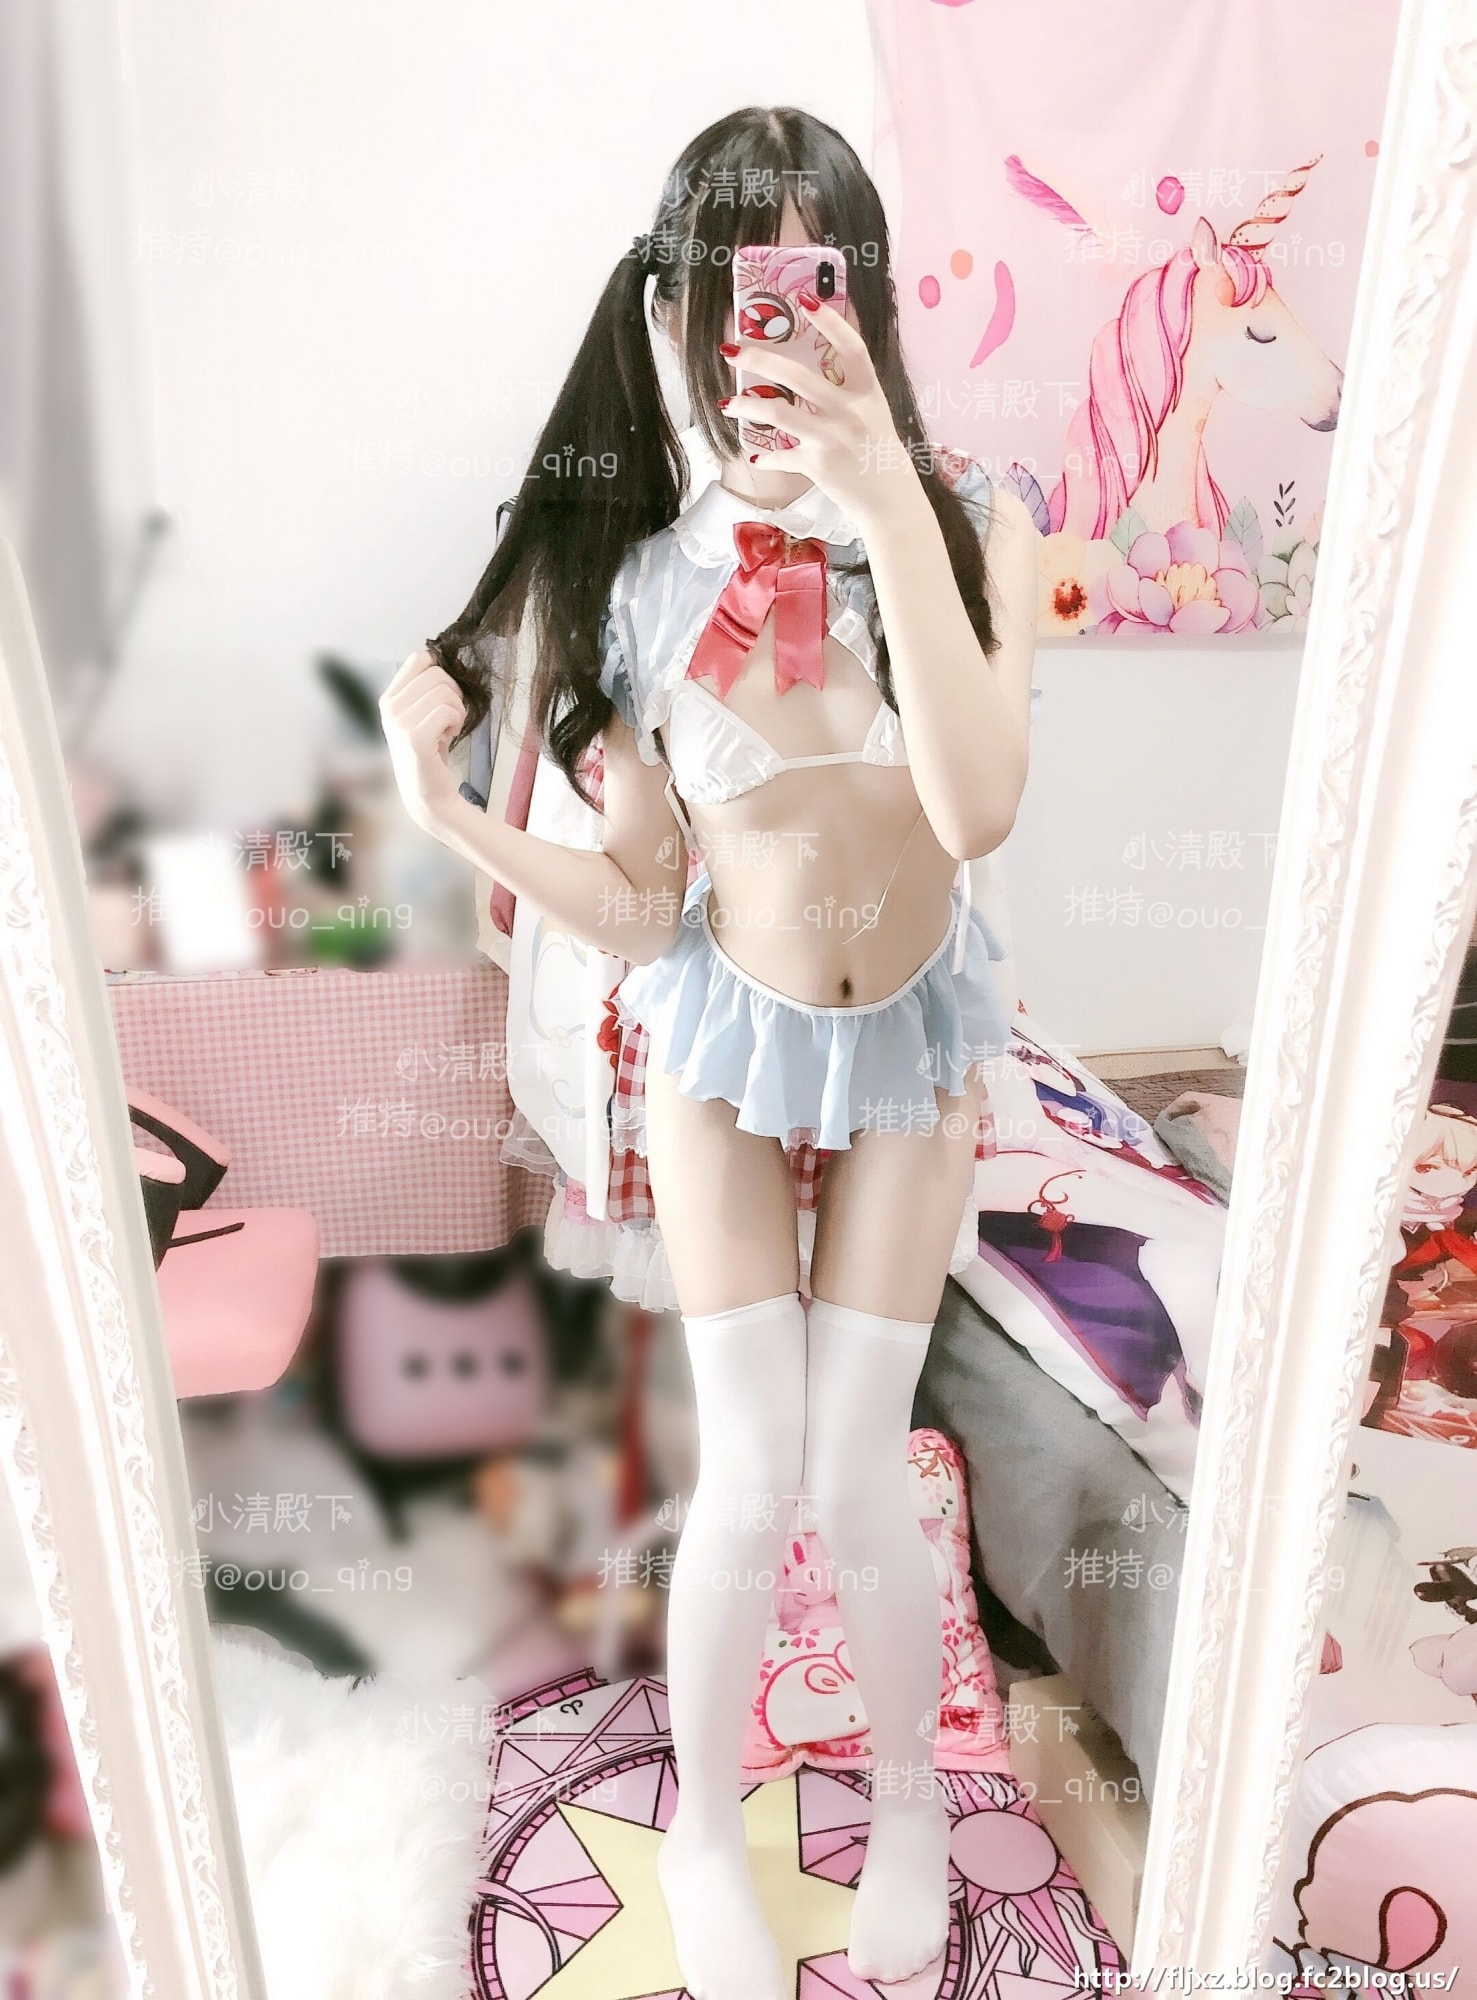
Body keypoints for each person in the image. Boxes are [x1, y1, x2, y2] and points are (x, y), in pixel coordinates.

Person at [380, 104, 1038, 2000]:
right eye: (744, 283)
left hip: (911, 1036)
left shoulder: (977, 531)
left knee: (856, 1464)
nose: (780, 324)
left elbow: (976, 811)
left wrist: (881, 499)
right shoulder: (647, 583)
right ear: (682, 314)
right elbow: (643, 902)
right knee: (751, 1467)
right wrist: (450, 821)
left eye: (815, 277)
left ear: (867, 301)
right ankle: (702, 1821)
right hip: (721, 1041)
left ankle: (904, 1803)